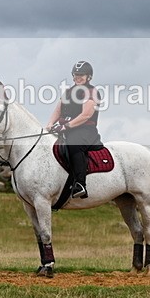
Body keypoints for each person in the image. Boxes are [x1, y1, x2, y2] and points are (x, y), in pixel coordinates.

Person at [45, 61, 102, 199]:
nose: (77, 77)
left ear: (89, 77)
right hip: (66, 129)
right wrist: (50, 124)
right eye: (76, 74)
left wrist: (66, 126)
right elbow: (58, 110)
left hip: (85, 130)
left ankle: (80, 184)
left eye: (81, 75)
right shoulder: (69, 92)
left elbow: (85, 115)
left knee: (74, 145)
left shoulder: (92, 92)